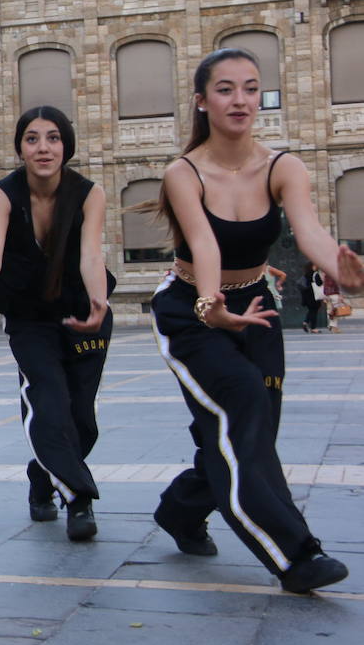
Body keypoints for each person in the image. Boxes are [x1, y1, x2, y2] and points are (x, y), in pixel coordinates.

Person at [149, 46, 361, 594]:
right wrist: (211, 307)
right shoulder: (185, 172)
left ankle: (180, 508)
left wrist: (341, 268)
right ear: (202, 101)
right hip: (191, 310)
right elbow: (204, 243)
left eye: (250, 87)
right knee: (241, 403)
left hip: (255, 306)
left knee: (250, 432)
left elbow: (310, 232)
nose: (240, 99)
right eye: (225, 89)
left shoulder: (283, 166)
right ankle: (295, 554)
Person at [0, 107, 115, 541]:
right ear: (20, 147)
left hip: (85, 313)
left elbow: (91, 255)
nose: (43, 147)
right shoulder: (3, 193)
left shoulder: (89, 193)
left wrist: (98, 302)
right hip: (31, 319)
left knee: (82, 419)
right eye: (32, 138)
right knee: (48, 404)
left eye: (52, 138)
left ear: (66, 145)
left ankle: (41, 475)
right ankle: (79, 499)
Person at [299, 263, 324, 333]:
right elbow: (319, 283)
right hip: (314, 295)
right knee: (314, 311)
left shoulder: (306, 274)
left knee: (311, 310)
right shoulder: (315, 274)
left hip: (307, 295)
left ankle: (305, 322)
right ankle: (313, 328)